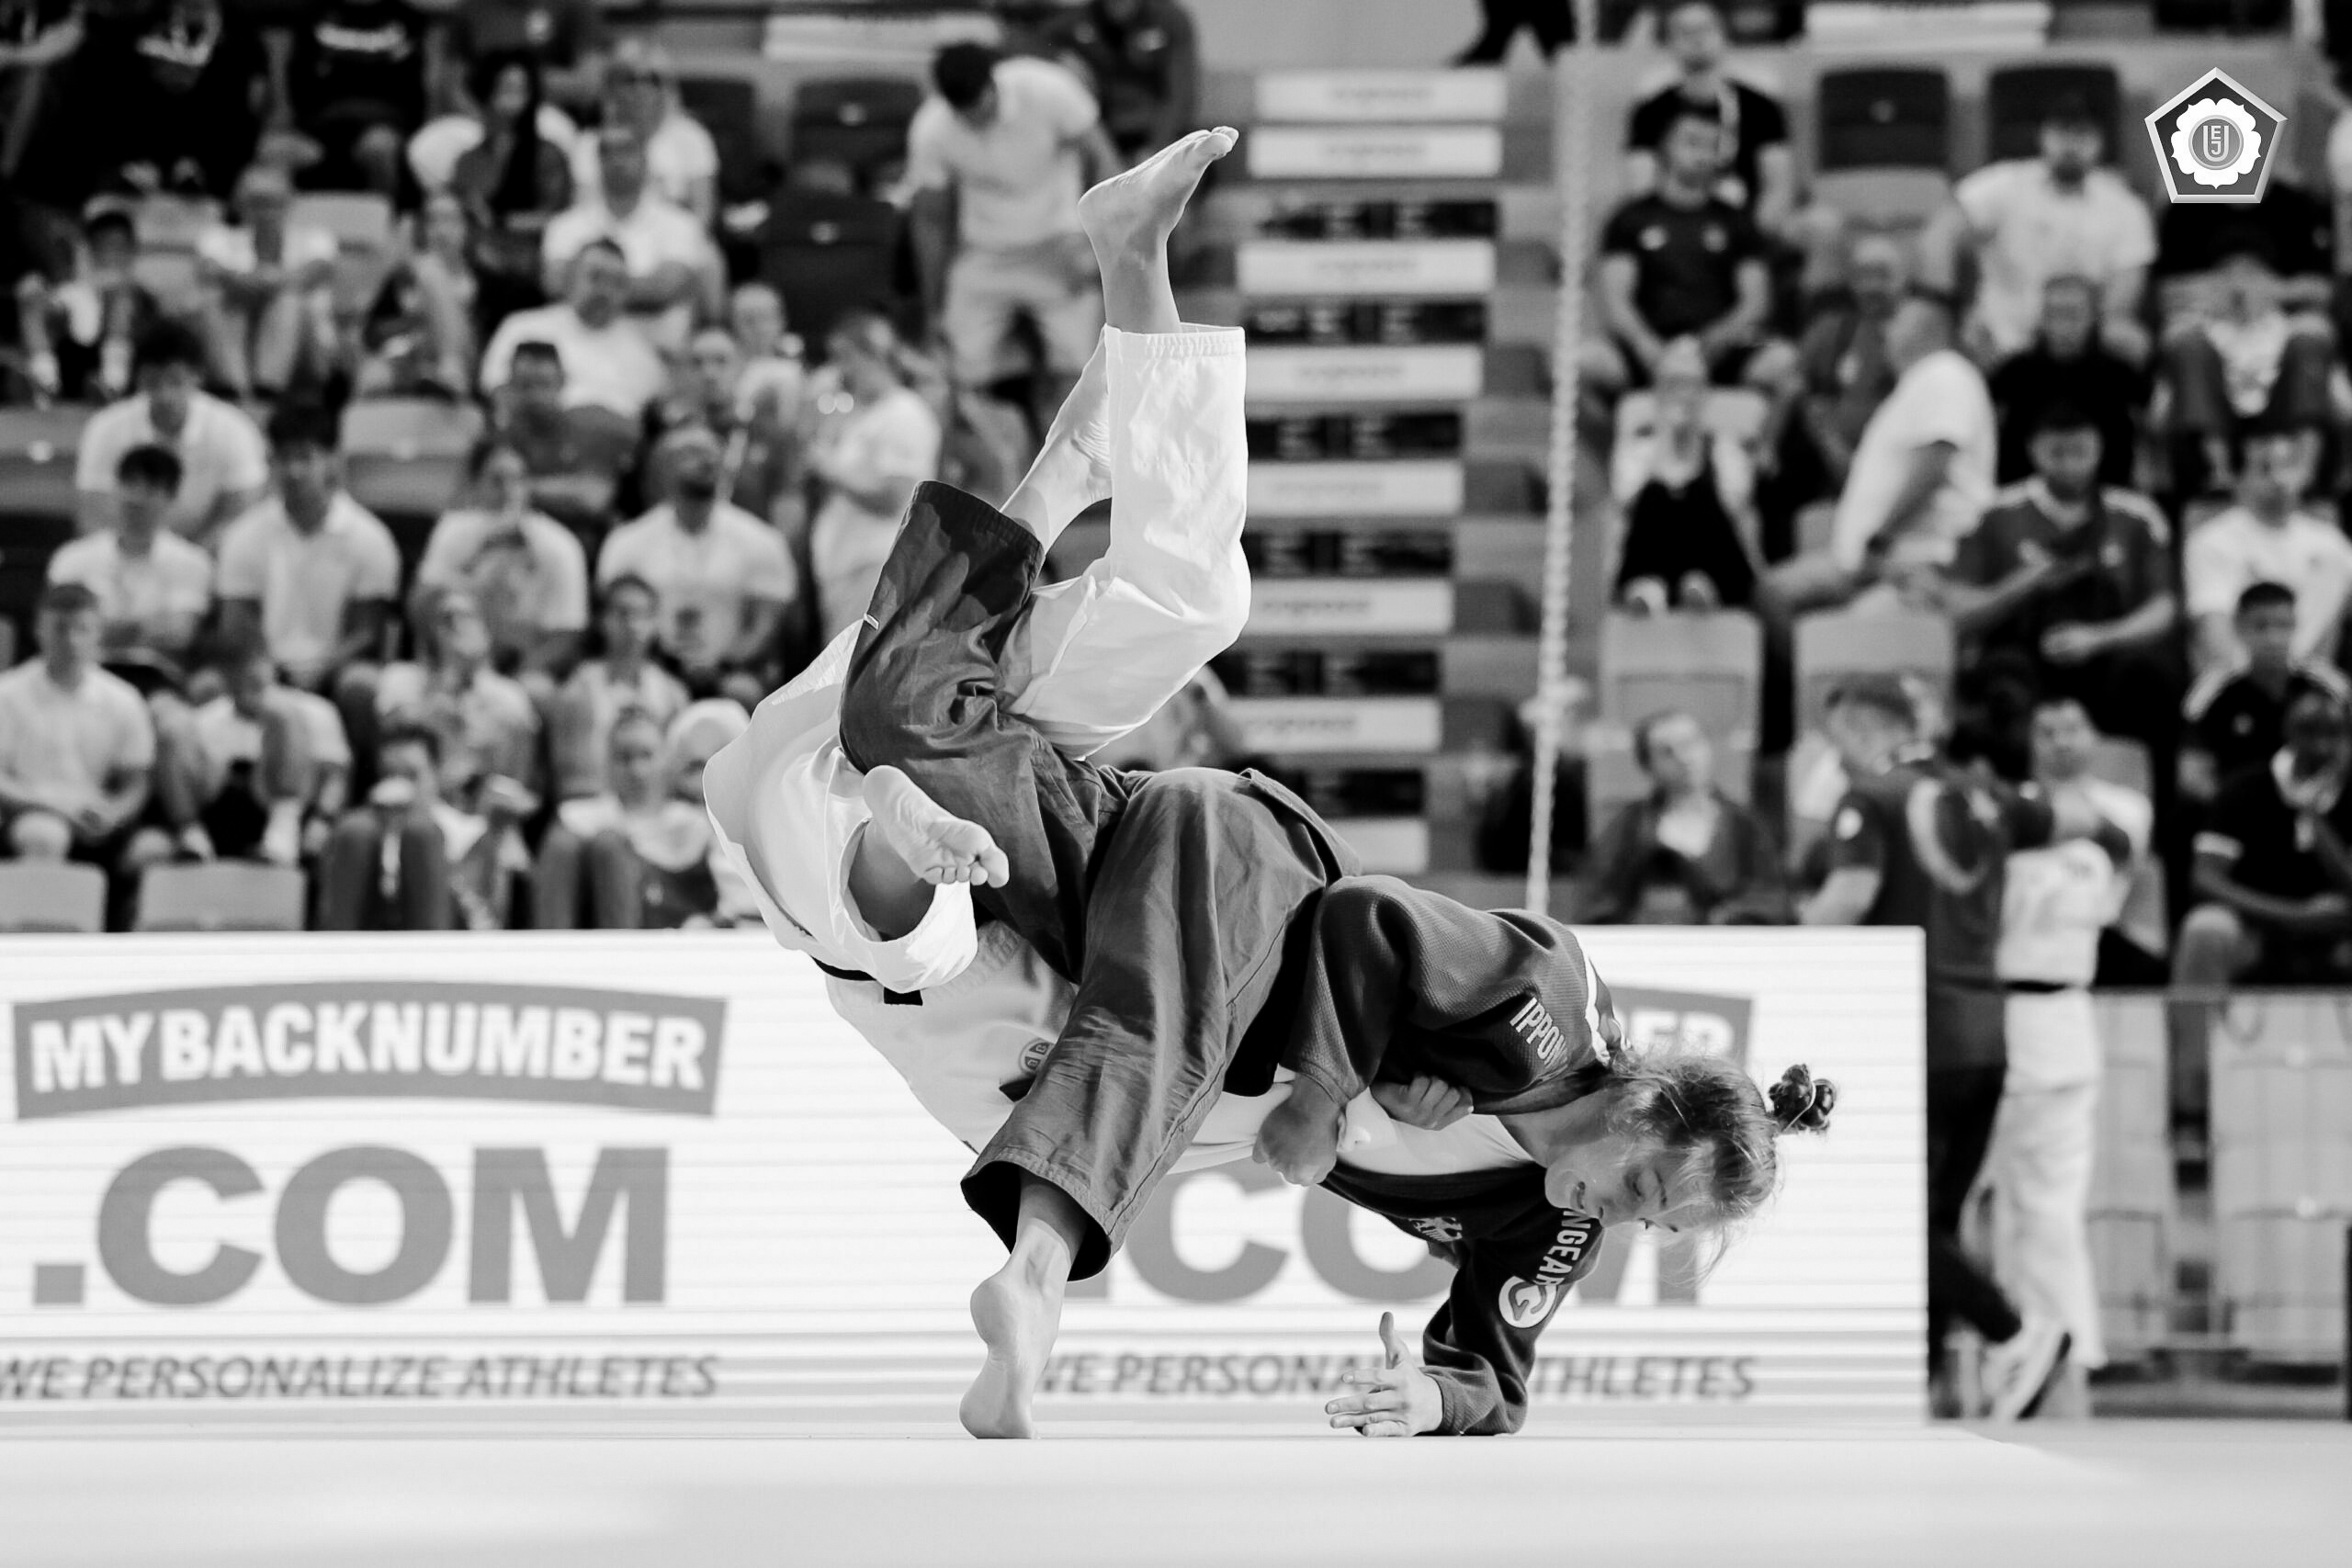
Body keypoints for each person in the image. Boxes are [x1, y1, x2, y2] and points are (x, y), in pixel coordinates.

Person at [710, 132, 1835, 1438]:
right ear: (1647, 1102)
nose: (1614, 1217)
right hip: (1251, 876)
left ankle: (1121, 299)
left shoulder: (1543, 1220)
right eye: (1644, 1186)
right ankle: (1030, 1269)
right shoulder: (1548, 1006)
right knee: (1081, 963)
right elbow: (1373, 923)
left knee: (1100, 639)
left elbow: (1498, 1369)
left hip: (1105, 906)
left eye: (1649, 1223)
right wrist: (1329, 1084)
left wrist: (1431, 1393)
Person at [1799, 674, 2124, 1418]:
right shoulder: (1989, 797)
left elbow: (1848, 898)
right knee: (1936, 1219)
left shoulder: (1873, 799)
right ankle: (1915, 1379)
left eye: (1839, 739)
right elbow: (2091, 822)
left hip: (1913, 1033)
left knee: (1894, 1215)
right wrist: (2119, 853)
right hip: (1988, 1033)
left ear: (1860, 727)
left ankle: (2014, 1331)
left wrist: (1788, 942)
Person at [1982, 694, 2150, 1414]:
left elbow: (2117, 863)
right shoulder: (2004, 808)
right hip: (1991, 1015)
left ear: (2095, 735)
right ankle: (2006, 1355)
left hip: (2063, 1012)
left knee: (2050, 1208)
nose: (2057, 740)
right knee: (1987, 1212)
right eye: (2044, 729)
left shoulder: (2126, 808)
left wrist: (2050, 815)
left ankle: (2070, 1354)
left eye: (2071, 727)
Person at [907, 41, 1117, 442]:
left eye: (980, 106)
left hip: (1062, 243)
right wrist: (933, 304)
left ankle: (1074, 465)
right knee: (958, 368)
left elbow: (1108, 167)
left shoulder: (1048, 89)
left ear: (993, 83)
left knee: (1078, 364)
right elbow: (930, 220)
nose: (974, 118)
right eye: (963, 113)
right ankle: (996, 468)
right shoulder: (932, 129)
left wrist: (1099, 249)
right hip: (985, 254)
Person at [1936, 401, 2178, 747]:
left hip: (2107, 650)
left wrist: (2098, 638)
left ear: (2100, 449)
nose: (2070, 465)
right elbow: (1958, 614)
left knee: (2146, 674)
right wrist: (2028, 581)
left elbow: (2163, 610)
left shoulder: (2137, 515)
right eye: (2057, 453)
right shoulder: (1995, 513)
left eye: (2081, 452)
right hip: (2024, 653)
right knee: (2000, 674)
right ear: (2033, 450)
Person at [1757, 296, 1995, 630]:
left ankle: (1819, 669)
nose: (1887, 331)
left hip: (1917, 559)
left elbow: (1933, 466)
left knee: (1850, 635)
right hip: (1867, 560)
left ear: (1927, 330)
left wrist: (1880, 537)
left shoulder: (1945, 373)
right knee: (1774, 592)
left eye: (1897, 321)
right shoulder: (1912, 387)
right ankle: (1806, 676)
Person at [1928, 94, 2155, 365]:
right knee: (1941, 325)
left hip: (2086, 343)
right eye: (2061, 132)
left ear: (2101, 141)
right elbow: (1943, 230)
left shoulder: (2126, 207)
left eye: (2082, 134)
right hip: (2001, 340)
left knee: (2129, 340)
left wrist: (2087, 330)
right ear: (2043, 135)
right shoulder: (2006, 183)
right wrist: (1940, 300)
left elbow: (2123, 300)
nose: (2070, 144)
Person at [595, 424, 799, 703]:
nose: (707, 460)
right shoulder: (627, 542)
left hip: (729, 672)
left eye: (713, 452)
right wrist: (660, 664)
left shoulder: (762, 541)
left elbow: (766, 625)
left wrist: (721, 665)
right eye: (691, 452)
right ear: (662, 468)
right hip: (648, 668)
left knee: (743, 691)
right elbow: (616, 618)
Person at [214, 403, 401, 703]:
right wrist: (266, 668)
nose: (294, 471)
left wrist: (322, 669)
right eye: (284, 458)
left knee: (362, 686)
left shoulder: (370, 537)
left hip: (339, 669)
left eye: (305, 457)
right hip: (262, 666)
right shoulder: (243, 535)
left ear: (331, 460)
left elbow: (367, 631)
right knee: (209, 686)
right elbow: (237, 621)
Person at [1590, 104, 1781, 395]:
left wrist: (1713, 342)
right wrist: (1647, 346)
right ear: (1665, 147)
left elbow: (1755, 302)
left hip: (1719, 350)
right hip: (1648, 348)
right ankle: (1614, 436)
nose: (1703, 155)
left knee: (1783, 363)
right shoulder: (1630, 219)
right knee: (1584, 363)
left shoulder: (1736, 221)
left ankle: (1756, 440)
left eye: (1712, 146)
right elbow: (1616, 300)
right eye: (1692, 143)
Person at [2176, 685, 2352, 991]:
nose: (2322, 746)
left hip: (2337, 928)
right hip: (2252, 924)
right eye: (2309, 732)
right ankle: (2194, 1038)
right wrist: (2292, 916)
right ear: (2287, 731)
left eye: (2333, 733)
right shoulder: (2244, 788)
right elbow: (2204, 879)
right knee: (2205, 929)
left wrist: (2314, 816)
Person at [2161, 236, 2336, 496]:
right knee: (2190, 349)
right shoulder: (2196, 327)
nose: (2239, 284)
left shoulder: (2293, 325)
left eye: (2251, 274)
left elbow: (2323, 332)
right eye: (2228, 274)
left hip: (2278, 417)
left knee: (2308, 346)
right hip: (2222, 422)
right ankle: (2217, 472)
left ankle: (2305, 471)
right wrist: (2208, 307)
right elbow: (2170, 338)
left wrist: (2279, 297)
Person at [808, 310, 945, 639]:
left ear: (873, 356)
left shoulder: (904, 414)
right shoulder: (859, 415)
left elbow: (894, 497)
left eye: (844, 358)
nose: (839, 371)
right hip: (846, 569)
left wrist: (828, 468)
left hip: (877, 567)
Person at [146, 642, 349, 865]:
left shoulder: (313, 711)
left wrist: (323, 820)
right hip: (221, 808)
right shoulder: (207, 718)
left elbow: (335, 777)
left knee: (283, 716)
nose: (247, 682)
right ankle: (193, 839)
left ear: (270, 670)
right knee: (173, 726)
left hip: (287, 808)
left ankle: (281, 838)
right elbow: (194, 776)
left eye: (256, 675)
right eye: (239, 675)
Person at [74, 319, 269, 548]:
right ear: (138, 379)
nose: (164, 395)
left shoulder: (233, 430)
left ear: (198, 377)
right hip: (123, 558)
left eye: (176, 381)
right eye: (153, 381)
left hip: (207, 561)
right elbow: (93, 517)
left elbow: (240, 517)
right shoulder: (105, 428)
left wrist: (187, 565)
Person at [1580, 711, 1787, 924]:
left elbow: (1773, 900)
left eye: (1690, 744)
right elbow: (1598, 903)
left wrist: (1724, 918)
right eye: (1667, 752)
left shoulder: (1744, 824)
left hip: (1727, 947)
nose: (1683, 757)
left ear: (1708, 747)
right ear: (1648, 766)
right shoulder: (1627, 827)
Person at [0, 581, 154, 865]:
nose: (71, 640)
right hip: (29, 810)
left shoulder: (124, 698)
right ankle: (38, 910)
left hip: (95, 813)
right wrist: (53, 807)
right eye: (60, 628)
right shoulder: (7, 694)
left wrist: (114, 814)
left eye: (82, 629)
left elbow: (136, 782)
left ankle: (122, 910)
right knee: (45, 834)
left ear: (98, 633)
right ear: (38, 630)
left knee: (154, 848)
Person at [415, 434, 591, 682]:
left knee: (536, 689)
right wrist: (475, 562)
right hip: (453, 667)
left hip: (526, 670)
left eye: (518, 479)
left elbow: (567, 635)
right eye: (497, 480)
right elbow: (419, 610)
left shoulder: (560, 546)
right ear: (475, 484)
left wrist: (516, 679)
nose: (510, 491)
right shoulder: (451, 531)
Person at [2182, 423, 2352, 674]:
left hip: (2317, 685)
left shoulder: (2332, 543)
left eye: (2288, 466)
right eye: (2265, 468)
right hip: (2240, 683)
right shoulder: (2210, 541)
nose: (2279, 480)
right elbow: (2214, 633)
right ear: (2239, 478)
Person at [1609, 336, 1758, 613]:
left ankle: (1702, 585)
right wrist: (1666, 439)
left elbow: (1733, 505)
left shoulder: (1725, 448)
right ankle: (1649, 588)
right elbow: (1626, 501)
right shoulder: (1638, 449)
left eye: (1690, 385)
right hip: (1653, 557)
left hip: (1716, 562)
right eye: (1672, 385)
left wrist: (1692, 445)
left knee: (1698, 493)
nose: (1682, 395)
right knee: (1655, 495)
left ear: (1704, 393)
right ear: (1657, 392)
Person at [535, 703, 718, 927]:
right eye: (625, 758)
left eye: (646, 755)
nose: (637, 770)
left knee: (608, 846)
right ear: (608, 762)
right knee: (573, 845)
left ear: (666, 759)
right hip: (604, 924)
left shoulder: (691, 821)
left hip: (673, 935)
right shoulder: (582, 818)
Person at [1623, 0, 1793, 235]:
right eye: (1685, 31)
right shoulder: (1651, 110)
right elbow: (1642, 187)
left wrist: (1750, 241)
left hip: (1746, 222)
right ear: (1669, 42)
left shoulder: (1759, 105)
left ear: (1724, 34)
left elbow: (1778, 185)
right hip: (1676, 228)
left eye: (1705, 29)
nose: (1696, 39)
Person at [542, 123, 716, 350]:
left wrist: (589, 285)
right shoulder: (564, 225)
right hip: (577, 350)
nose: (616, 160)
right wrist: (636, 287)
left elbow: (664, 290)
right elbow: (555, 284)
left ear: (645, 160)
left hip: (656, 349)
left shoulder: (681, 224)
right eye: (607, 152)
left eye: (626, 150)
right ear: (598, 162)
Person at [2181, 581, 2352, 804]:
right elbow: (2193, 777)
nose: (2273, 639)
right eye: (2261, 626)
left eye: (2283, 626)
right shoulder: (2210, 695)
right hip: (2236, 813)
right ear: (2239, 627)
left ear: (2295, 625)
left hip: (2318, 808)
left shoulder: (2331, 688)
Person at [46, 445, 213, 671]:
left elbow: (179, 634)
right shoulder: (72, 558)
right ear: (115, 488)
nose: (136, 498)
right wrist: (143, 627)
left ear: (171, 497)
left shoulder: (192, 562)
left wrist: (100, 628)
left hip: (156, 677)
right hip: (85, 672)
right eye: (130, 483)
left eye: (150, 488)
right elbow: (61, 629)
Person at [372, 581, 540, 798]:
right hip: (416, 803)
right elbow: (393, 739)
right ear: (428, 628)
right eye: (448, 618)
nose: (459, 626)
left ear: (486, 628)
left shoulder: (510, 695)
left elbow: (518, 777)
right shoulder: (400, 678)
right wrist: (449, 677)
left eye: (468, 616)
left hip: (486, 804)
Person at [192, 163, 340, 403]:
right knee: (215, 296)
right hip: (239, 344)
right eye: (256, 202)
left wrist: (258, 281)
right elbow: (209, 269)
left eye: (273, 202)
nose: (265, 211)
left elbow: (315, 272)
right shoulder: (218, 237)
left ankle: (267, 390)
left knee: (288, 298)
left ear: (289, 202)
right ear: (240, 204)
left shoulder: (316, 237)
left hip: (308, 352)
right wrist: (239, 282)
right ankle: (234, 388)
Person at [445, 50, 574, 323]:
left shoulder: (547, 155)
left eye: (521, 89)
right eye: (505, 88)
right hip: (471, 258)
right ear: (484, 93)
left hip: (528, 262)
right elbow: (455, 214)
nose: (513, 99)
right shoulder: (468, 162)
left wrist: (499, 221)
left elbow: (556, 216)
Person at [481, 239, 669, 423]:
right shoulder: (523, 327)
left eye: (617, 283)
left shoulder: (643, 352)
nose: (605, 291)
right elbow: (499, 392)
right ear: (570, 277)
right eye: (596, 277)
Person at [1987, 275, 2144, 491]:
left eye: (2072, 315)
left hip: (2106, 496)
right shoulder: (2014, 372)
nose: (2062, 326)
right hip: (2024, 494)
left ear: (2093, 317)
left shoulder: (2118, 373)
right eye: (2053, 314)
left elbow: (2150, 423)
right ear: (2041, 318)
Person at [546, 571, 687, 799]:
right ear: (603, 620)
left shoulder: (673, 694)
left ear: (655, 622)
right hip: (595, 811)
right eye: (623, 614)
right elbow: (569, 782)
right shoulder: (577, 692)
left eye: (644, 615)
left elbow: (677, 775)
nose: (634, 624)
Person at [641, 325, 800, 525]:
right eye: (697, 363)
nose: (709, 373)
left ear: (742, 365)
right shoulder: (668, 442)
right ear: (682, 372)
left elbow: (789, 514)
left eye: (721, 361)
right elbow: (656, 518)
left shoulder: (773, 436)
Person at [14, 197, 159, 404]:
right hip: (79, 356)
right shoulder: (79, 282)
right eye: (103, 245)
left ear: (132, 247)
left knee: (120, 298)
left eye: (117, 245)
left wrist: (115, 292)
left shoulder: (142, 280)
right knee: (31, 292)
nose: (110, 252)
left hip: (133, 355)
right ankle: (44, 384)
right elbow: (70, 313)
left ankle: (113, 386)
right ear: (91, 248)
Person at [1792, 231, 1905, 492]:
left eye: (1882, 275)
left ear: (1901, 279)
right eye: (1863, 276)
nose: (1872, 286)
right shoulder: (1833, 330)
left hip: (1898, 462)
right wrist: (1833, 448)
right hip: (1834, 464)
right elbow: (1798, 387)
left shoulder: (1915, 335)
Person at [281, 0, 430, 197]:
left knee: (377, 148)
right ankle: (293, 227)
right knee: (275, 151)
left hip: (383, 125)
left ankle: (382, 221)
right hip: (319, 129)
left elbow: (413, 90)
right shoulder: (314, 14)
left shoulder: (406, 18)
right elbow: (297, 83)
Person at [486, 337, 634, 529]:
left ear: (563, 380)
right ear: (509, 385)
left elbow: (594, 498)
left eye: (544, 384)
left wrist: (526, 487)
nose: (536, 396)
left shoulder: (592, 425)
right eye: (526, 386)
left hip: (588, 540)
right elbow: (492, 495)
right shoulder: (501, 437)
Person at [566, 38, 715, 225]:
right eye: (630, 79)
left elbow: (703, 216)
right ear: (612, 87)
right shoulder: (589, 144)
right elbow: (582, 214)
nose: (642, 88)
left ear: (667, 87)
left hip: (676, 247)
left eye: (653, 80)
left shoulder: (692, 137)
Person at [1034, 0, 1199, 164]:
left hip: (1153, 132)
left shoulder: (1168, 19)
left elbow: (1180, 95)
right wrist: (1059, 56)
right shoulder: (1080, 19)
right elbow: (1029, 43)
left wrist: (1155, 150)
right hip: (1100, 134)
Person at [356, 190, 478, 396]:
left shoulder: (489, 282)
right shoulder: (401, 280)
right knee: (371, 376)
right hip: (412, 355)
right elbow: (372, 335)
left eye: (449, 220)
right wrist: (416, 321)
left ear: (466, 227)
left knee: (430, 269)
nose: (440, 231)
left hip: (469, 362)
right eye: (432, 221)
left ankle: (451, 369)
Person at [440, 0, 606, 120]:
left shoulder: (575, 6)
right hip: (482, 119)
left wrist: (520, 81)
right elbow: (453, 86)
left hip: (550, 117)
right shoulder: (471, 7)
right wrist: (481, 119)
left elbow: (588, 85)